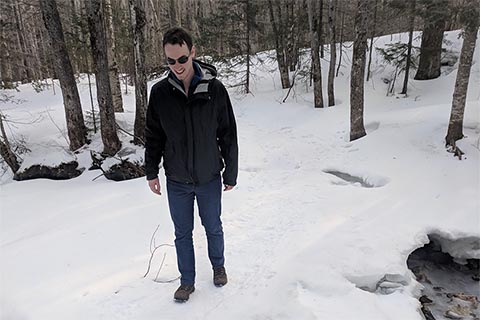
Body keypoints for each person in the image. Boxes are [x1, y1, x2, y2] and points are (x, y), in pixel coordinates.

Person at [144, 27, 238, 302]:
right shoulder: (160, 93)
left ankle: (218, 266)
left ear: (193, 53)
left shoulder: (214, 89)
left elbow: (228, 133)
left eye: (182, 59)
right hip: (177, 180)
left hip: (209, 176)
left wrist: (230, 172)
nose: (177, 66)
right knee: (182, 233)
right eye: (170, 61)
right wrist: (151, 171)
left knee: (213, 226)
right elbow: (154, 135)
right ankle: (187, 281)